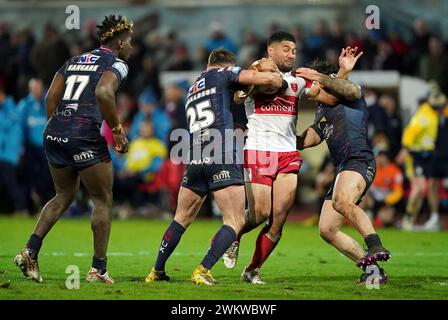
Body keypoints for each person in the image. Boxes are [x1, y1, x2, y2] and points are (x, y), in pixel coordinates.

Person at [144, 48, 284, 285]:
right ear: (226, 64)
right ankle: (203, 269)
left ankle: (156, 271)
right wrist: (276, 75)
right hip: (222, 153)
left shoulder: (193, 87)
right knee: (234, 221)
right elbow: (267, 79)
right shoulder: (224, 73)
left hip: (196, 155)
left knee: (181, 218)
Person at [14, 15, 133, 284]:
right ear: (121, 43)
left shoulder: (74, 60)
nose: (132, 47)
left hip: (54, 132)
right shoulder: (117, 63)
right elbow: (104, 92)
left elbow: (50, 98)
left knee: (63, 195)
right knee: (102, 199)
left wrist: (57, 129)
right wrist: (116, 130)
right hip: (85, 136)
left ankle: (29, 252)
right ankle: (98, 270)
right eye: (131, 42)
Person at [222, 32, 309, 284]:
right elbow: (238, 97)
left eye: (294, 49)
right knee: (260, 213)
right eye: (285, 49)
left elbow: (327, 93)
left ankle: (252, 270)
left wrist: (344, 72)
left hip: (288, 153)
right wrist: (255, 77)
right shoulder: (255, 74)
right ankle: (232, 236)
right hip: (260, 150)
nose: (291, 54)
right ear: (270, 51)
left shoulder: (298, 82)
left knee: (279, 218)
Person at [296, 55, 391, 284]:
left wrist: (319, 75)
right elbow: (311, 138)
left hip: (359, 160)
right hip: (343, 167)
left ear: (321, 80)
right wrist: (280, 136)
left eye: (310, 84)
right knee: (327, 229)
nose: (306, 90)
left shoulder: (347, 96)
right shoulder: (322, 110)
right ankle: (374, 272)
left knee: (341, 201)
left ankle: (374, 243)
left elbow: (351, 90)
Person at [397, 83, 448, 230]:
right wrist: (405, 148)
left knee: (421, 187)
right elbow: (410, 132)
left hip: (427, 155)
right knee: (419, 187)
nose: (441, 109)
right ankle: (407, 218)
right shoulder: (423, 116)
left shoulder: (436, 113)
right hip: (416, 155)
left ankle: (410, 220)